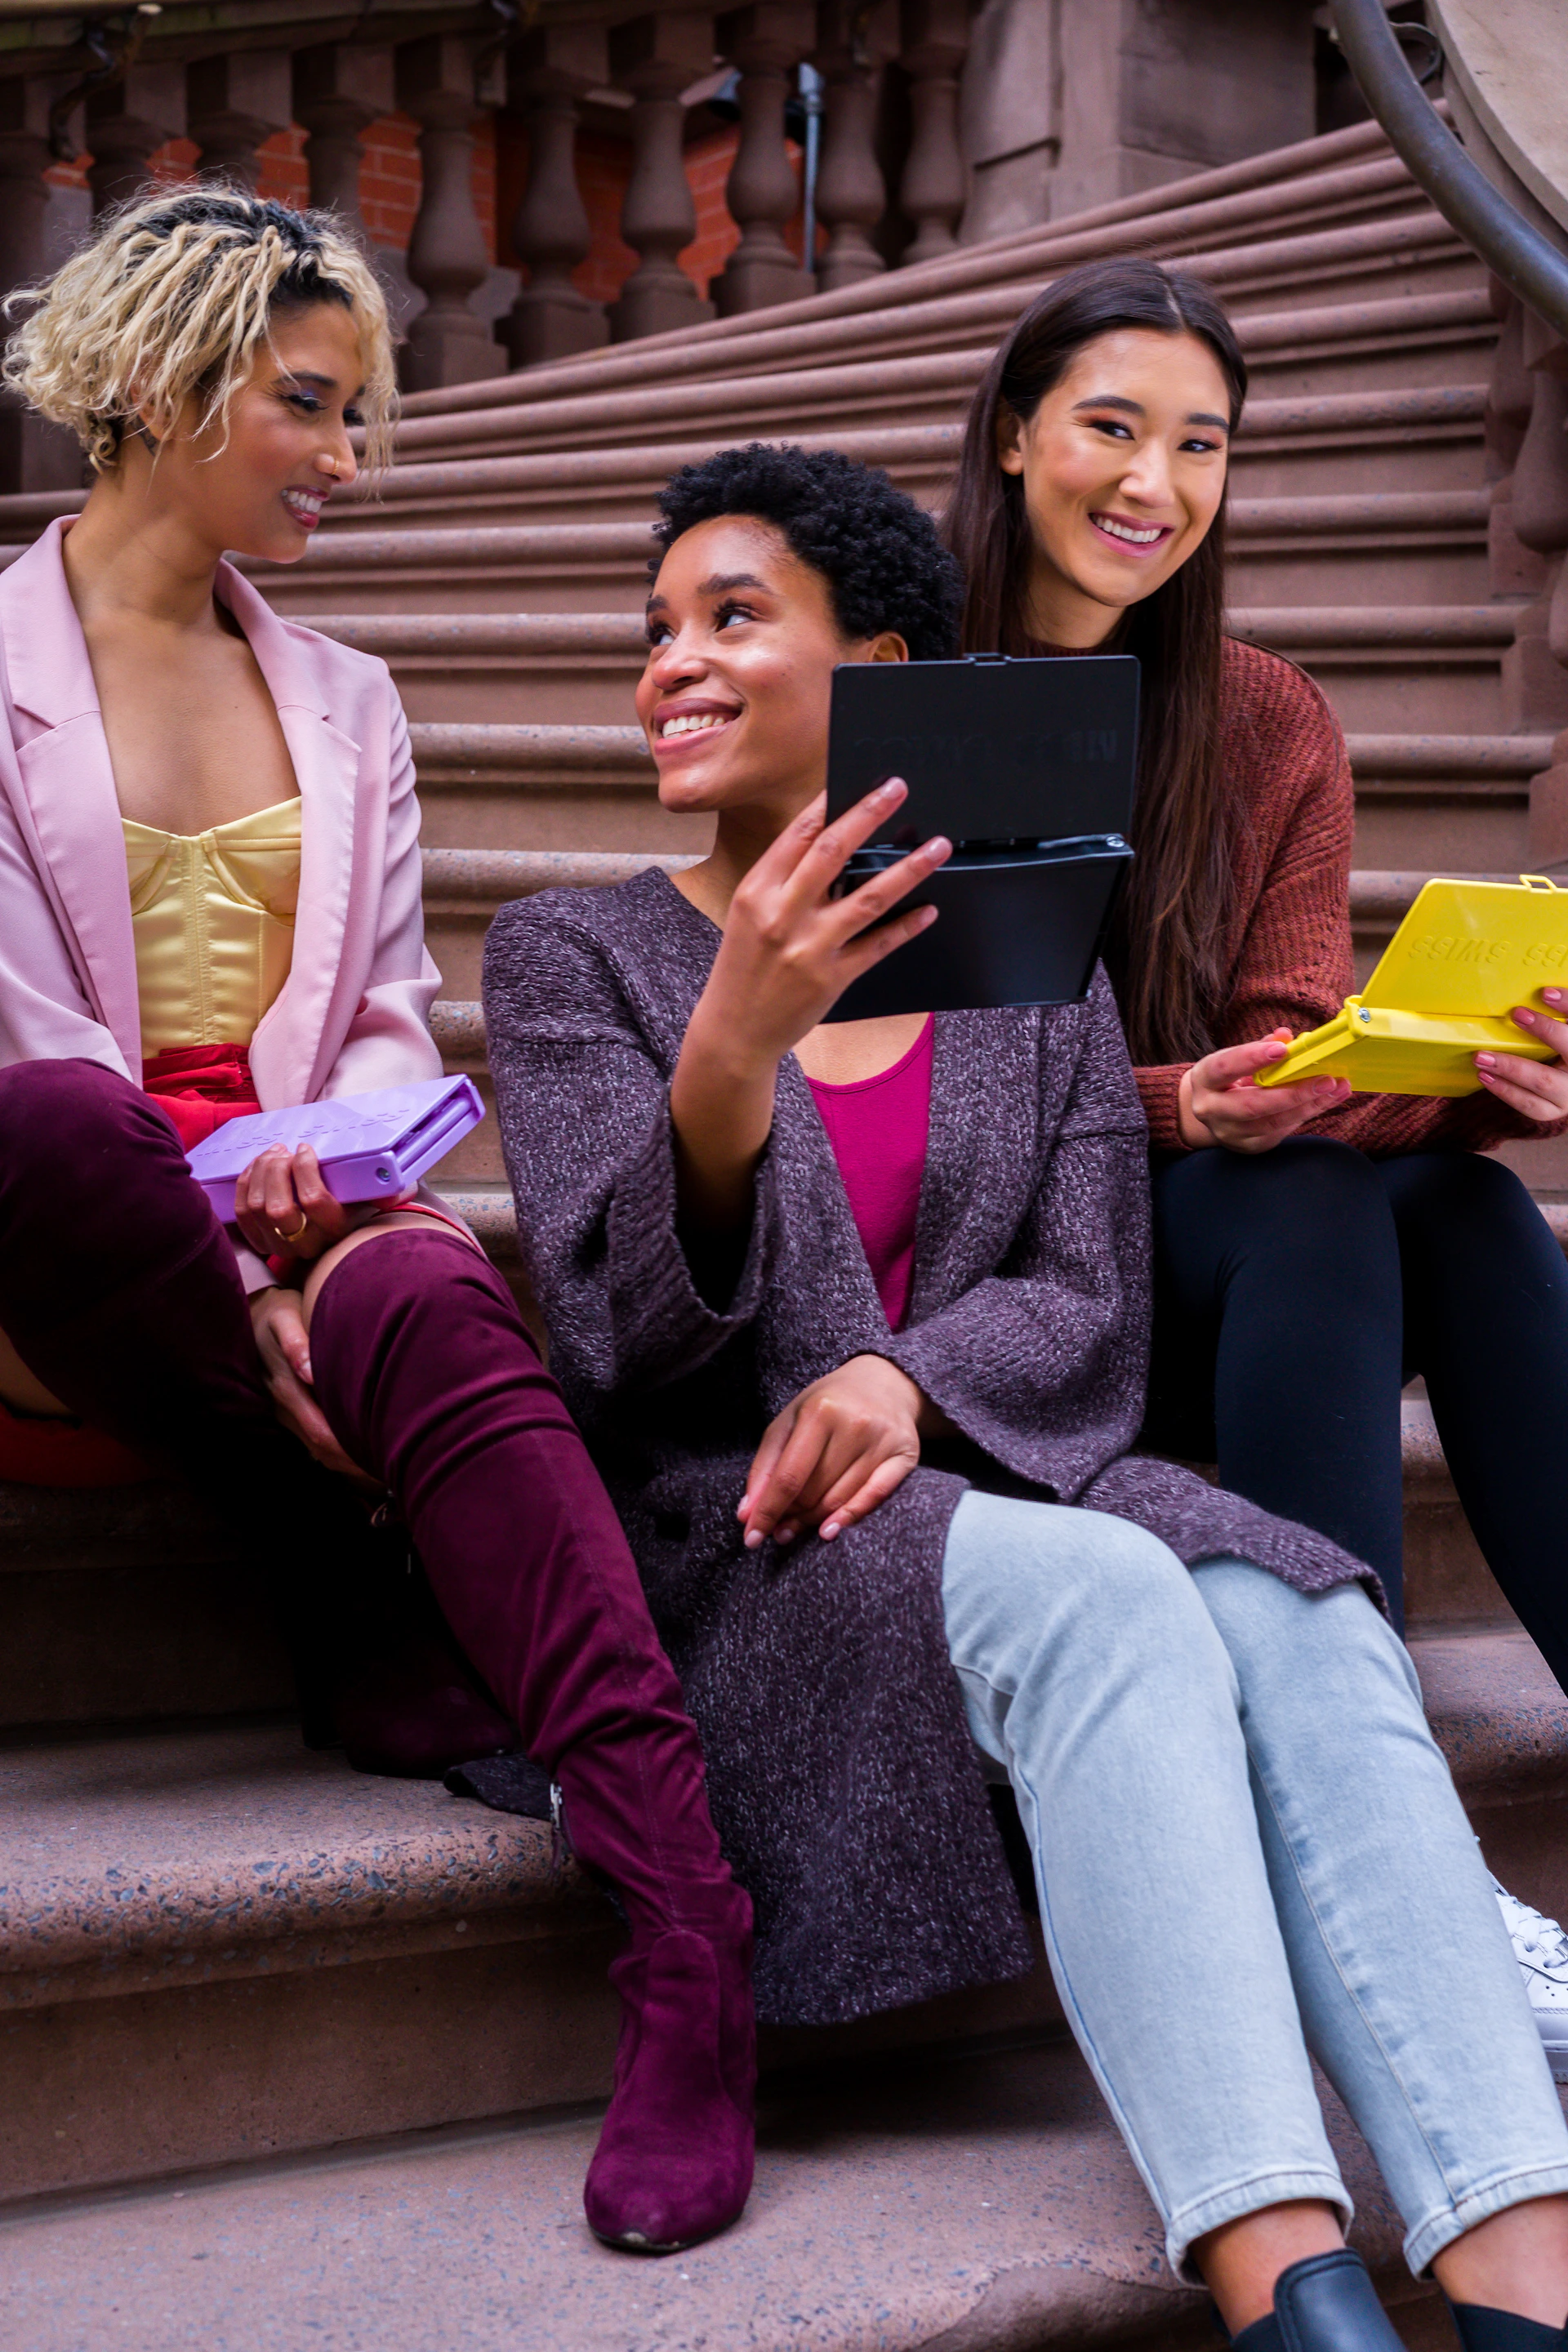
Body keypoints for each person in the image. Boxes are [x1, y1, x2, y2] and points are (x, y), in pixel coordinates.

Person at [483, 439, 1568, 2350]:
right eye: (656, 629)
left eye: (734, 618)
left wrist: (909, 1375)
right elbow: (612, 1352)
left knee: (1306, 1611)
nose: (672, 663)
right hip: (743, 1547)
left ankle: (1521, 2277)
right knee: (1120, 1594)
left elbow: (1090, 1302)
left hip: (999, 1487)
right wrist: (728, 1054)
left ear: (882, 667)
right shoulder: (581, 952)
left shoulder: (1029, 963)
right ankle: (1292, 2292)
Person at [0, 185, 752, 2255]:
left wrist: (310, 1212)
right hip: (50, 1227)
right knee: (53, 1134)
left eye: (361, 416)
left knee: (432, 1293)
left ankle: (688, 1941)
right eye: (313, 408)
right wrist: (225, 1257)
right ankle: (341, 1577)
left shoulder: (354, 696)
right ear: (161, 385)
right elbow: (18, 1030)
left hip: (296, 1182)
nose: (353, 460)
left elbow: (393, 1017)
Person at [940, 252, 1568, 2063]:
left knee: (1451, 1196)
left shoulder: (1268, 717)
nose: (1155, 486)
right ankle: (1383, 1863)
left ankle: (1373, 1814)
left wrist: (1462, 1079)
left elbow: (1292, 1044)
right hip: (974, 1277)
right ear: (1012, 433)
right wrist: (1175, 1110)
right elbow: (902, 1077)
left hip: (1213, 1253)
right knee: (1291, 1189)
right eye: (1112, 429)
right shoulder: (901, 685)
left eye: (1200, 446)